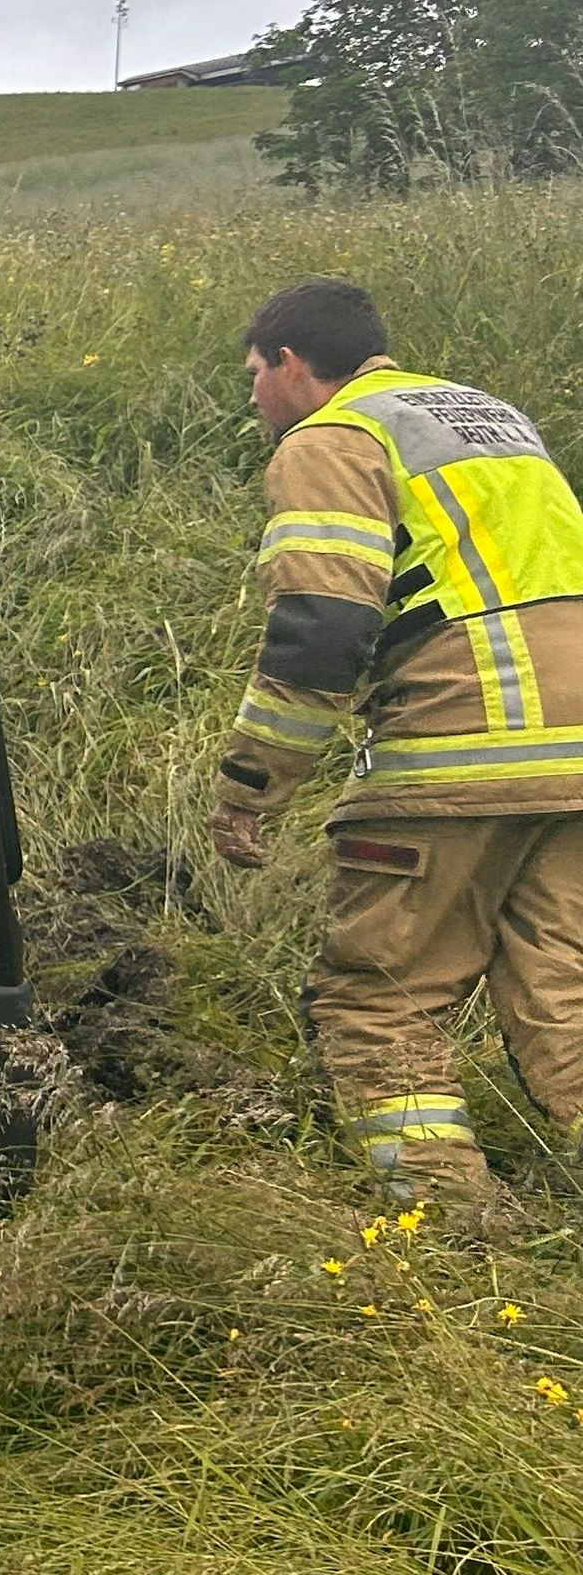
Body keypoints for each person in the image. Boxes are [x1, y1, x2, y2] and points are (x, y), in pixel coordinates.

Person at [208, 277, 583, 1212]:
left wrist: (251, 786)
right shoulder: (485, 417)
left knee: (377, 1003)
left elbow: (322, 631)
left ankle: (456, 1234)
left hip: (464, 751)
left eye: (254, 374)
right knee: (562, 996)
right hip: (578, 757)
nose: (252, 397)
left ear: (292, 364)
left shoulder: (332, 439)